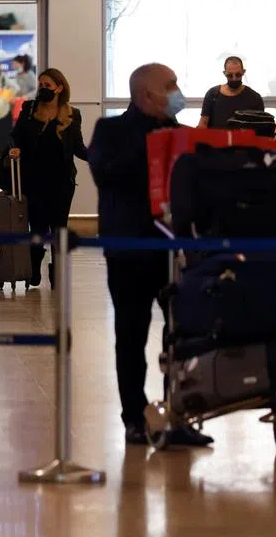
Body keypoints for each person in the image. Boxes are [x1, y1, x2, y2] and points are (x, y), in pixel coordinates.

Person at [88, 63, 213, 448]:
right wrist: (154, 149)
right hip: (131, 251)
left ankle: (178, 414)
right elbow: (108, 176)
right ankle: (134, 418)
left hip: (176, 254)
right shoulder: (110, 132)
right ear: (147, 95)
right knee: (131, 334)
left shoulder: (180, 133)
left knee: (181, 336)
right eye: (171, 85)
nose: (179, 91)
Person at [6, 68, 87, 288]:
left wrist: (98, 157)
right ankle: (34, 266)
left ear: (60, 88)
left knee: (59, 228)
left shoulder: (72, 114)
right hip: (34, 179)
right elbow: (16, 137)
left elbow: (77, 147)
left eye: (47, 86)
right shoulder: (30, 109)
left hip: (62, 180)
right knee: (38, 227)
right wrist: (14, 149)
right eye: (40, 85)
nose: (43, 89)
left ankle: (57, 272)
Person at [198, 55, 265, 129]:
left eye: (238, 75)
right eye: (230, 75)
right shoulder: (212, 94)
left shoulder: (254, 98)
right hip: (215, 140)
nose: (234, 79)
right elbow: (203, 123)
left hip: (243, 140)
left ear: (243, 72)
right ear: (224, 73)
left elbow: (260, 129)